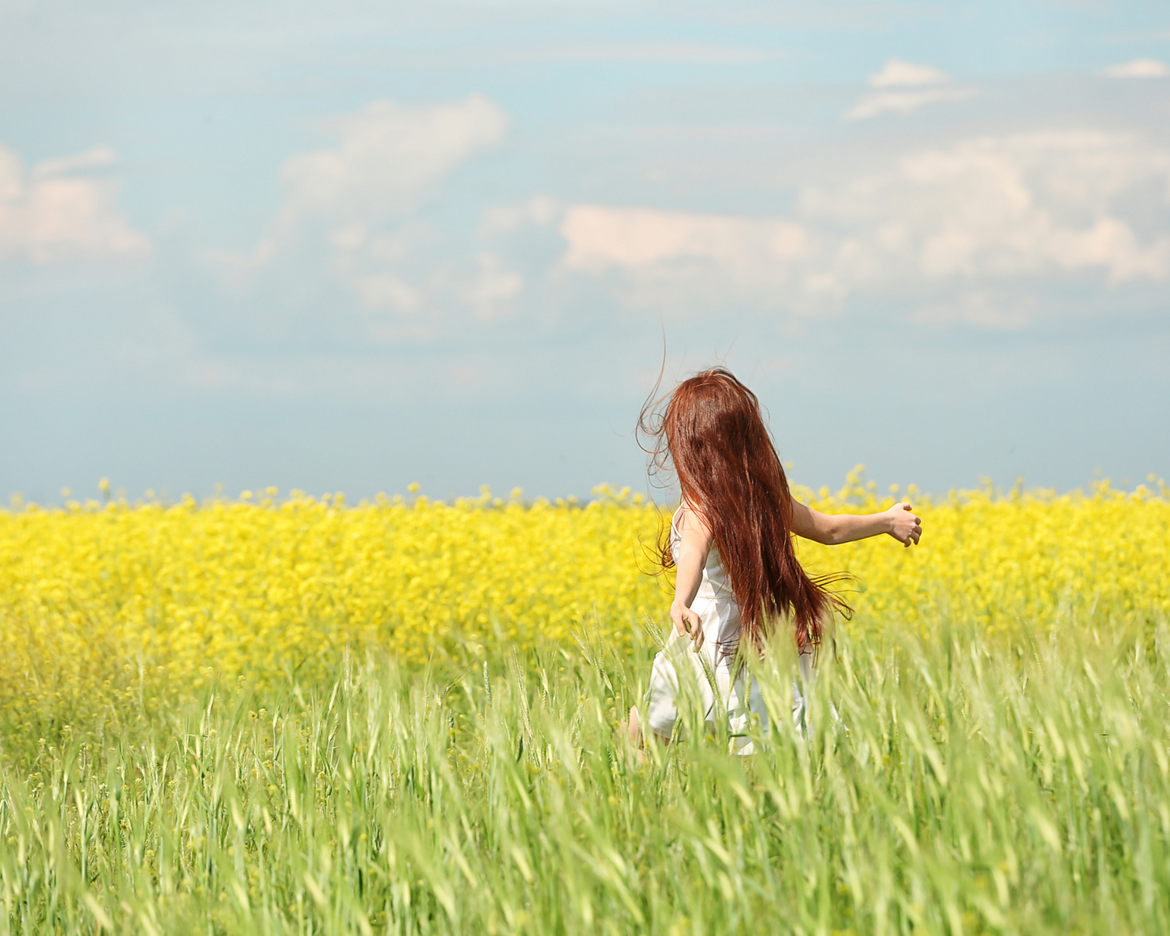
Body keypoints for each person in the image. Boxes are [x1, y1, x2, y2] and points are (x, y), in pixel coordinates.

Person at [627, 368, 922, 752]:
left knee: (665, 723)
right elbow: (827, 530)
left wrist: (682, 601)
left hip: (713, 634)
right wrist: (885, 520)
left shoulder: (713, 506)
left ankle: (640, 774)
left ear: (689, 445)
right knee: (753, 731)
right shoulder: (752, 502)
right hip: (751, 632)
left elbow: (696, 557)